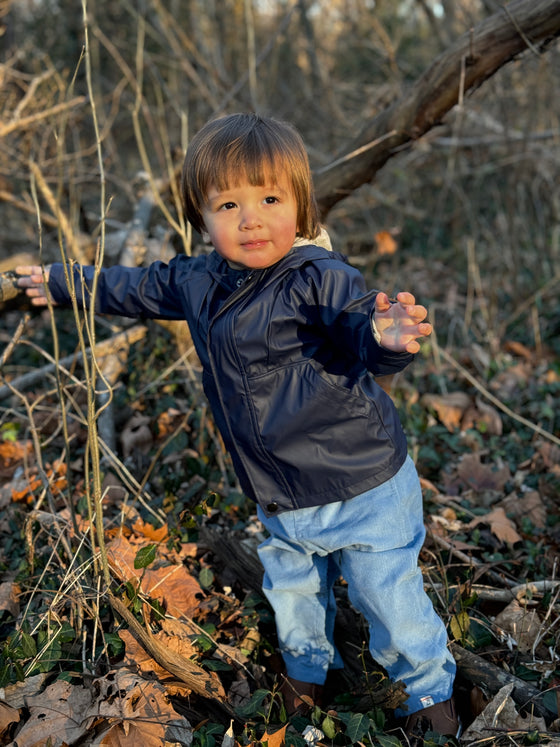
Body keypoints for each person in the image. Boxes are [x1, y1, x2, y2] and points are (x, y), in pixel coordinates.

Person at [17, 113, 459, 743]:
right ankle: (307, 674)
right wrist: (61, 282)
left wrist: (388, 339)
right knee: (293, 591)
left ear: (301, 207)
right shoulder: (198, 281)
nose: (251, 218)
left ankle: (428, 697)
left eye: (270, 199)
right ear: (201, 216)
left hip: (363, 484)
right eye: (228, 203)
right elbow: (131, 286)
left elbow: (361, 327)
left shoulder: (319, 277)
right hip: (279, 493)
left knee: (386, 596)